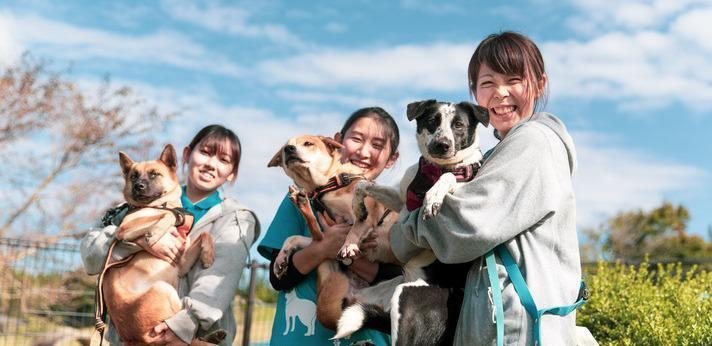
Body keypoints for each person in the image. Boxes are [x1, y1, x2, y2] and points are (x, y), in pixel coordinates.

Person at [389, 31, 584, 345]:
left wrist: (399, 235)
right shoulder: (497, 155)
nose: (501, 93)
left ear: (539, 84)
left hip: (518, 330)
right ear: (475, 92)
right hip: (502, 325)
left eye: (514, 79)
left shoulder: (533, 141)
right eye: (488, 83)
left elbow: (466, 225)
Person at [81, 124, 260, 345]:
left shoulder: (236, 218)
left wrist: (183, 326)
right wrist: (146, 239)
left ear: (232, 173)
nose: (211, 164)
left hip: (184, 333)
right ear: (186, 155)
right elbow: (90, 256)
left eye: (223, 160)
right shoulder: (133, 207)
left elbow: (217, 284)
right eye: (204, 152)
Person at [258, 107, 401, 346]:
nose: (364, 151)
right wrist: (323, 248)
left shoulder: (390, 206)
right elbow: (277, 278)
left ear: (391, 159)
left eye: (377, 145)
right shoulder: (298, 199)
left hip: (371, 337)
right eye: (356, 139)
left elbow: (400, 277)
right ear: (337, 143)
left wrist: (347, 255)